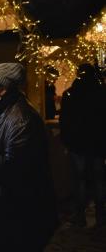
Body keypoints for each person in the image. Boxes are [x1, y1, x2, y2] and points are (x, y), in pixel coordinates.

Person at [0, 62, 58, 252]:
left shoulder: (21, 119)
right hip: (9, 209)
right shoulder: (2, 113)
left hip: (22, 212)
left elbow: (12, 169)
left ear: (3, 89)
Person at [59, 63, 106, 227]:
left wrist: (66, 141)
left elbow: (64, 121)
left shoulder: (70, 94)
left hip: (77, 143)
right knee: (99, 179)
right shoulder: (101, 92)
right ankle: (101, 215)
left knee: (80, 179)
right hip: (98, 143)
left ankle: (80, 215)